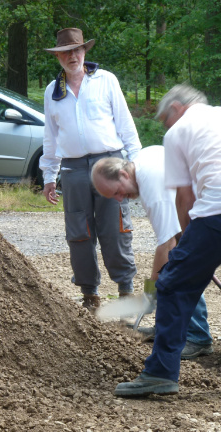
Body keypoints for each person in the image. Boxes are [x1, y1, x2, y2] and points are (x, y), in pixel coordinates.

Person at [114, 84, 221, 397]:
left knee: (174, 285)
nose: (165, 125)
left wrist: (151, 290)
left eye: (164, 119)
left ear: (176, 109)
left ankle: (161, 372)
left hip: (214, 213)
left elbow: (176, 222)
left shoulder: (175, 136)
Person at [40, 28, 142, 311]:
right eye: (66, 52)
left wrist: (136, 164)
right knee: (79, 232)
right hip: (72, 169)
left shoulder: (105, 80)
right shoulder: (53, 91)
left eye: (77, 50)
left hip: (110, 163)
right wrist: (50, 175)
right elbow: (50, 136)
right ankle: (90, 296)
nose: (72, 56)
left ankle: (125, 292)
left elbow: (125, 124)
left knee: (115, 228)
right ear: (58, 56)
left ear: (85, 52)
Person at [91, 146, 213, 359]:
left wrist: (150, 291)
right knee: (178, 266)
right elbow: (173, 238)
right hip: (201, 209)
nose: (121, 199)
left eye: (118, 191)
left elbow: (167, 245)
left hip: (212, 210)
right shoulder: (143, 159)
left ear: (123, 174)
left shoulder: (151, 186)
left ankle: (197, 336)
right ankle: (167, 329)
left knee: (179, 271)